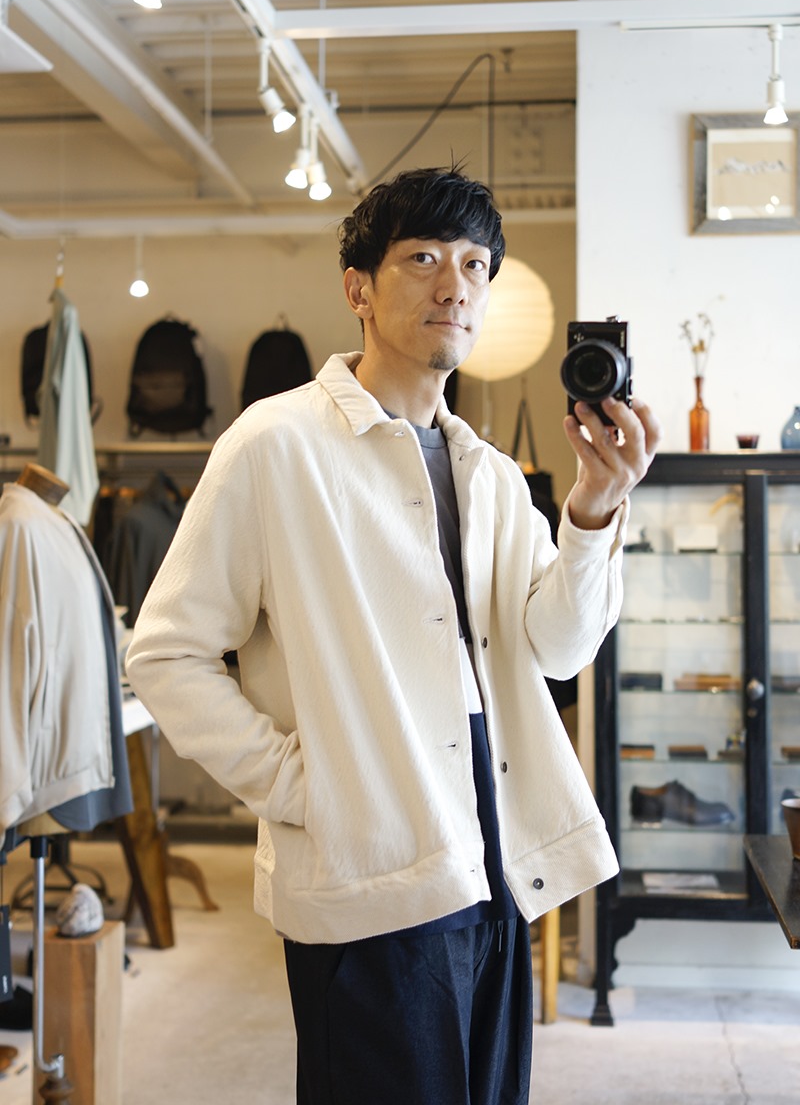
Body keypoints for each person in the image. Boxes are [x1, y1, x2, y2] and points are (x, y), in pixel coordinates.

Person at [126, 165, 661, 1104]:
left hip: (499, 854)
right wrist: (304, 783)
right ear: (359, 289)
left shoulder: (493, 475)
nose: (455, 284)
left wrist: (591, 510)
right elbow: (167, 653)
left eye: (475, 264)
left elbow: (561, 648)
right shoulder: (276, 444)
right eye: (422, 259)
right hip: (368, 865)